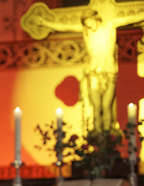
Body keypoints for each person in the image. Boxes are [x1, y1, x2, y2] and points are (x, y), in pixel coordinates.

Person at [32, 4, 144, 135]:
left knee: (107, 106)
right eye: (86, 23)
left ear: (95, 18)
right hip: (94, 73)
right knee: (96, 107)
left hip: (109, 73)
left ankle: (107, 135)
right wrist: (46, 23)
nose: (89, 25)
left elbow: (130, 19)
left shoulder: (109, 26)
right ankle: (98, 135)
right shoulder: (87, 32)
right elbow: (66, 26)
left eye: (89, 21)